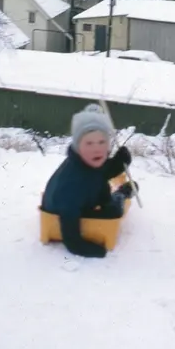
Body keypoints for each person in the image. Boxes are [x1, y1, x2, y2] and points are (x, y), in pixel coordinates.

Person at [41, 104, 136, 259]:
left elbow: (102, 171)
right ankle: (121, 195)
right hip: (65, 213)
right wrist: (83, 247)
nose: (96, 149)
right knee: (114, 211)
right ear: (78, 146)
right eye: (89, 143)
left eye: (102, 142)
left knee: (99, 181)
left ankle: (123, 191)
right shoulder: (72, 183)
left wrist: (120, 161)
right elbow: (70, 229)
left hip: (81, 201)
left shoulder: (85, 162)